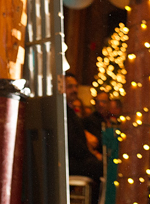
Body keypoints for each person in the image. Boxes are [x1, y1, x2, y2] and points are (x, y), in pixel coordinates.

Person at [65, 72, 103, 204]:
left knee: (103, 166)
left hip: (77, 158)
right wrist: (91, 156)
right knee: (103, 167)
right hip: (70, 161)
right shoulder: (63, 111)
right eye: (70, 86)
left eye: (76, 86)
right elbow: (73, 143)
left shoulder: (70, 110)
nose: (74, 90)